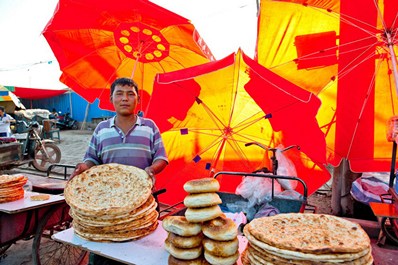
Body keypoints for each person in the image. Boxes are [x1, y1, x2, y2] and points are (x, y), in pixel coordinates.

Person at [70, 77, 168, 265]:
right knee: (104, 253)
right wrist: (84, 167)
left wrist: (152, 169)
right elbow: (91, 159)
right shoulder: (101, 129)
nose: (125, 98)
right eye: (120, 94)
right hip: (105, 204)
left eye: (130, 94)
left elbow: (161, 158)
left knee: (143, 252)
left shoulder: (149, 127)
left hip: (143, 201)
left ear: (138, 100)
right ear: (111, 99)